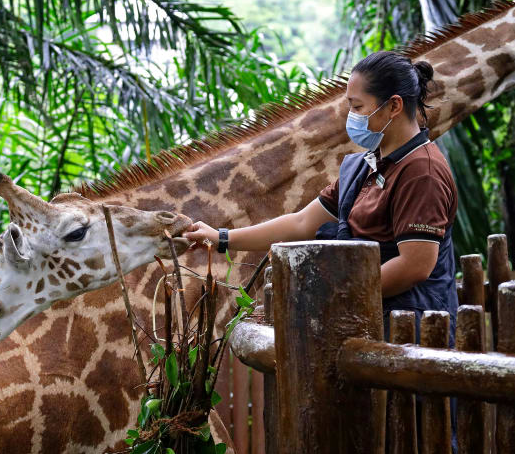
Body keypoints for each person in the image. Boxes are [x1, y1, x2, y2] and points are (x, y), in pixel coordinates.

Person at [185, 51, 459, 343]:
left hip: (411, 335)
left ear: (393, 106)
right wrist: (222, 237)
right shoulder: (365, 166)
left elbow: (415, 266)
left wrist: (337, 294)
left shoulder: (421, 172)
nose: (352, 117)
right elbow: (303, 221)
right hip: (366, 323)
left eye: (358, 106)